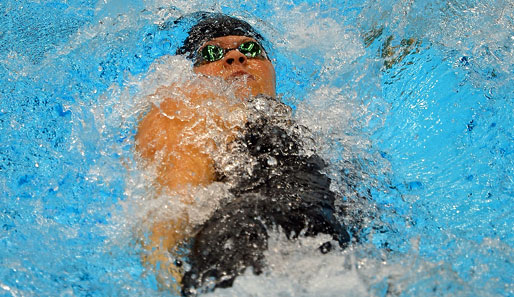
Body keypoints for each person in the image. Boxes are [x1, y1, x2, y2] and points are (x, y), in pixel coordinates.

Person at [135, 12, 351, 296]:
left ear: (271, 67)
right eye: (212, 53)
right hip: (248, 251)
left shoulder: (308, 121)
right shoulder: (191, 105)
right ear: (191, 74)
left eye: (250, 49)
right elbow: (176, 202)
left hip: (327, 252)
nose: (235, 58)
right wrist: (164, 268)